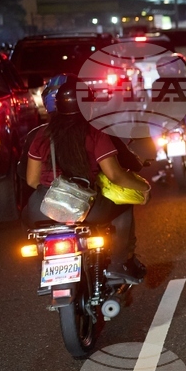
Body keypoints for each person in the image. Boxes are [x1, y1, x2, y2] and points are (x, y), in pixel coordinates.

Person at [22, 78, 151, 283]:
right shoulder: (95, 132)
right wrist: (143, 187)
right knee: (124, 207)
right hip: (84, 207)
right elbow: (115, 175)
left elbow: (31, 180)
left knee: (34, 227)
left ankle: (46, 265)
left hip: (42, 206)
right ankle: (118, 264)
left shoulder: (42, 134)